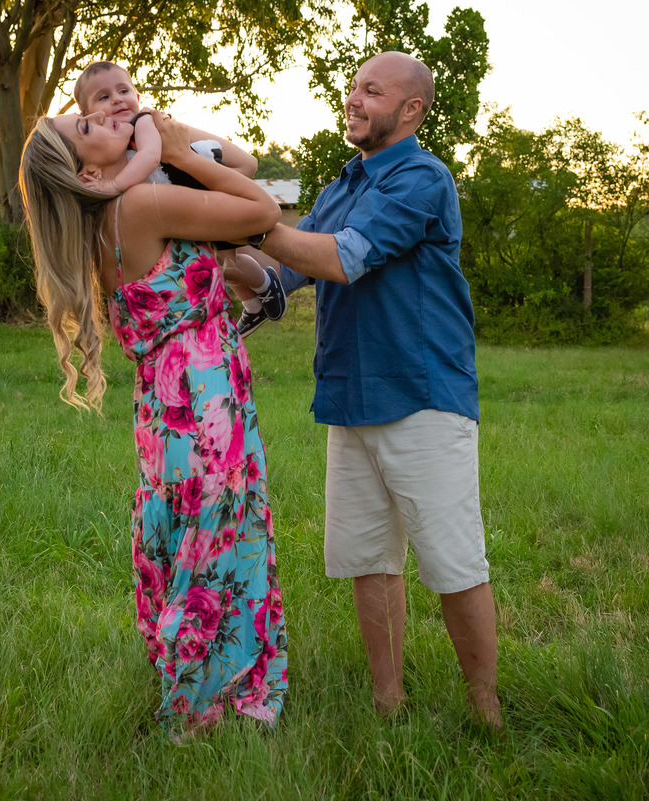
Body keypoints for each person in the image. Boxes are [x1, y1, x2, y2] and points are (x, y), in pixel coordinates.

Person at [18, 105, 287, 738]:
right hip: (200, 397)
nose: (104, 117)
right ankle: (206, 702)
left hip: (170, 406)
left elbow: (240, 162)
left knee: (199, 533)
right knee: (217, 538)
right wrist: (181, 154)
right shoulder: (138, 204)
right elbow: (262, 210)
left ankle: (209, 687)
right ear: (87, 169)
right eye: (86, 126)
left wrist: (164, 136)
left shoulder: (108, 214)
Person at [256, 51, 503, 728]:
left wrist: (254, 224)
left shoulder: (422, 179)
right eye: (353, 87)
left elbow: (340, 258)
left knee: (453, 562)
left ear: (412, 109)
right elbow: (283, 275)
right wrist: (212, 253)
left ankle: (487, 709)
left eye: (372, 90)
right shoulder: (341, 186)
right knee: (370, 559)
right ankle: (387, 703)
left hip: (421, 396)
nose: (354, 98)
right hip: (349, 397)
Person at [73, 61, 285, 337]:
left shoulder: (145, 123)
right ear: (87, 115)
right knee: (214, 262)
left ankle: (265, 284)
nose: (116, 99)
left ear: (137, 98)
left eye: (123, 91)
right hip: (169, 225)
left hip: (196, 192)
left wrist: (113, 185)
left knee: (222, 259)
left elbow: (149, 158)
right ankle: (253, 303)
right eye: (104, 97)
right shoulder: (103, 154)